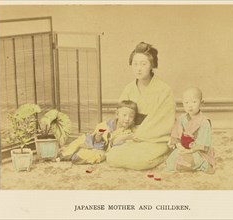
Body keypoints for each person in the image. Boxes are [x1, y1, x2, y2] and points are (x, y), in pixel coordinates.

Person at [106, 42, 176, 170]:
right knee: (112, 157)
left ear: (152, 65)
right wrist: (129, 134)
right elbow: (121, 118)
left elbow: (163, 121)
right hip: (132, 136)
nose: (138, 68)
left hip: (155, 138)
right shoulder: (129, 88)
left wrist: (140, 134)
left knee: (140, 162)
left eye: (143, 64)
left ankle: (164, 153)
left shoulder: (164, 89)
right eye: (135, 64)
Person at [59, 100, 137, 164]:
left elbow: (114, 143)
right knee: (77, 142)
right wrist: (98, 136)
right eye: (124, 115)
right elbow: (96, 137)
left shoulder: (127, 132)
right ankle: (62, 155)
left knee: (97, 155)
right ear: (117, 115)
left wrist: (124, 138)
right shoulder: (106, 125)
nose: (127, 119)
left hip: (101, 149)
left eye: (131, 116)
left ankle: (78, 155)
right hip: (91, 141)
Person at [165, 87, 215, 173]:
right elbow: (176, 134)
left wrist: (190, 150)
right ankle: (189, 165)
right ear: (183, 103)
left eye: (194, 102)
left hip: (197, 150)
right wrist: (180, 147)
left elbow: (203, 142)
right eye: (187, 102)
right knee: (170, 161)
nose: (190, 105)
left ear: (201, 103)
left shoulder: (204, 122)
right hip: (183, 147)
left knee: (193, 159)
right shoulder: (181, 119)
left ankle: (202, 164)